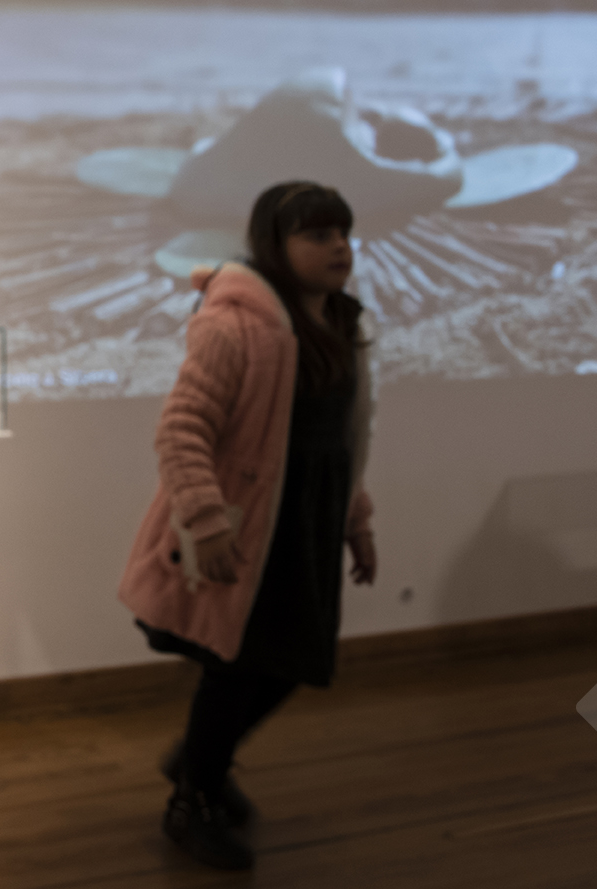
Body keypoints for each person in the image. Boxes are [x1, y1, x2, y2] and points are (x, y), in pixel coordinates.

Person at [118, 180, 379, 871]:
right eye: (318, 234)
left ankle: (196, 759)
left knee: (292, 660)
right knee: (234, 669)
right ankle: (192, 802)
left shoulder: (342, 324)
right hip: (248, 527)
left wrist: (356, 521)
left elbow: (346, 441)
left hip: (309, 520)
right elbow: (181, 429)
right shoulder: (234, 324)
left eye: (343, 233)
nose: (339, 247)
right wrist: (206, 520)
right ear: (274, 243)